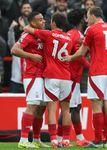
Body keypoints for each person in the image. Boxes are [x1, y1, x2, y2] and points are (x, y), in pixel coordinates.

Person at [67, 6, 107, 148]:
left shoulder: (91, 30)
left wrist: (69, 58)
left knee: (97, 107)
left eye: (88, 16)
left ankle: (98, 140)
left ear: (93, 16)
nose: (87, 19)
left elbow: (81, 53)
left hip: (97, 73)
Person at [24, 12, 76, 148]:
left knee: (52, 110)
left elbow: (27, 29)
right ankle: (65, 140)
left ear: (53, 23)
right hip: (66, 76)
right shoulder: (69, 38)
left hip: (51, 76)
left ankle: (53, 141)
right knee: (66, 110)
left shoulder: (48, 34)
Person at [11, 12, 49, 148]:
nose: (44, 21)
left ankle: (37, 140)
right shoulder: (27, 35)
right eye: (40, 20)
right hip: (33, 75)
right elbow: (14, 50)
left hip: (44, 75)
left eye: (43, 19)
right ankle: (22, 140)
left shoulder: (42, 35)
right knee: (32, 105)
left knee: (42, 107)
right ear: (32, 23)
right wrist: (31, 55)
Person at [56, 8, 90, 147]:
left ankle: (79, 138)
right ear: (81, 20)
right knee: (68, 109)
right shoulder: (78, 35)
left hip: (70, 76)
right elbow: (79, 55)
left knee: (75, 107)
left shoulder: (69, 33)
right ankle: (60, 140)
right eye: (85, 18)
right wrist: (91, 67)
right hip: (71, 77)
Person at [8, 20, 24, 93]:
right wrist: (11, 29)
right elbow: (11, 41)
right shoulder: (15, 49)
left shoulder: (33, 50)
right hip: (16, 82)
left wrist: (24, 27)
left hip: (28, 81)